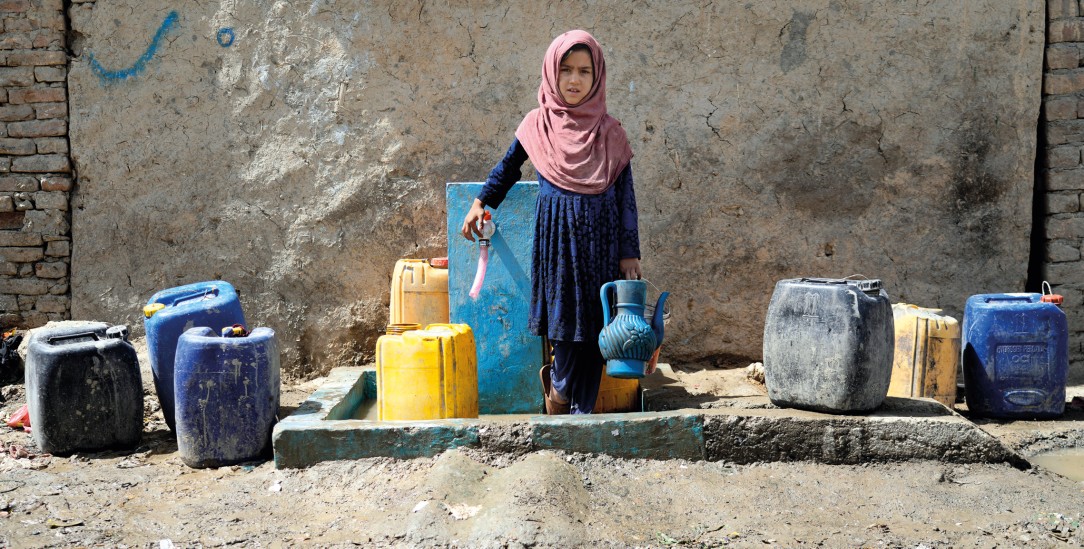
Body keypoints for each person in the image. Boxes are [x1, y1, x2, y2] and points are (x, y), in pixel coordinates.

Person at [460, 30, 642, 415]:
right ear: (551, 73)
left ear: (597, 78)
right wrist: (480, 202)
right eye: (566, 70)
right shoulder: (537, 125)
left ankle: (581, 414)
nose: (574, 80)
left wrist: (629, 253)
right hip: (558, 240)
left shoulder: (611, 133)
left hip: (602, 242)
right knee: (563, 325)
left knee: (598, 324)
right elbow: (508, 168)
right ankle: (558, 390)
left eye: (584, 71)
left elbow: (626, 196)